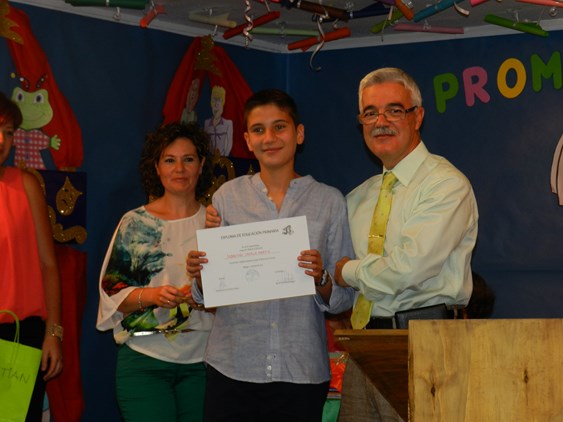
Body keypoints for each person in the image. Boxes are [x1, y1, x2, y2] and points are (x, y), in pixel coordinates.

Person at [187, 89, 355, 422]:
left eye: (279, 127)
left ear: (299, 133)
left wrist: (320, 276)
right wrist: (201, 272)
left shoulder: (329, 202)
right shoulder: (226, 197)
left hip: (300, 371)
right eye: (259, 130)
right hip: (232, 368)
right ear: (248, 140)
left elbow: (343, 300)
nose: (269, 138)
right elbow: (206, 294)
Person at [333, 68, 479, 421]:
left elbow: (409, 268)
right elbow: (325, 265)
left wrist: (347, 271)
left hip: (428, 347)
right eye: (370, 113)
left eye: (394, 110)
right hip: (362, 349)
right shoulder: (356, 199)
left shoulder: (445, 185)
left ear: (418, 116)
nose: (380, 122)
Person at [96, 122, 215, 421]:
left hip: (205, 364)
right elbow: (112, 295)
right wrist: (154, 296)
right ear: (157, 167)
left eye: (188, 159)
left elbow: (236, 298)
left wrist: (202, 297)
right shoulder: (135, 223)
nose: (180, 169)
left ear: (201, 165)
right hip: (144, 361)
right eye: (170, 160)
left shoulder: (217, 223)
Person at [0, 92, 63, 420]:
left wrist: (54, 334)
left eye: (8, 132)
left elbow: (48, 265)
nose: (1, 140)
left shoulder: (25, 185)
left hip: (20, 337)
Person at [204, 85, 233, 156]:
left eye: (219, 100)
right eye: (214, 100)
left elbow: (229, 145)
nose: (216, 104)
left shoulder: (228, 124)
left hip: (223, 158)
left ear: (223, 103)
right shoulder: (207, 123)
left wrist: (223, 158)